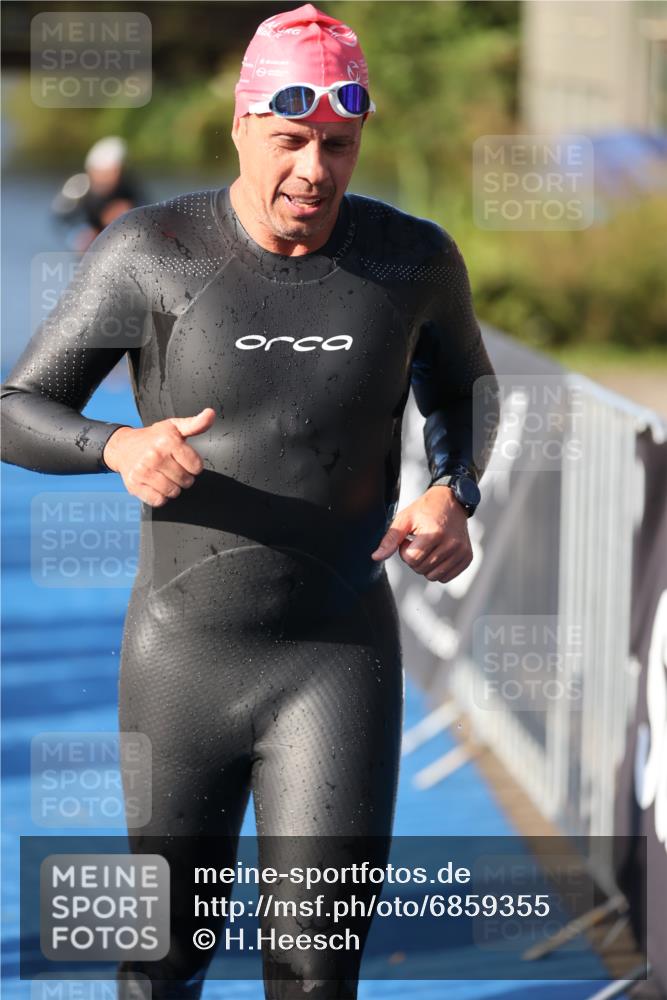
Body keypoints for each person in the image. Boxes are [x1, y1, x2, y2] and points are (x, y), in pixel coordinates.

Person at [1, 4, 499, 998]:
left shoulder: (411, 260)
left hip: (336, 660)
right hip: (181, 661)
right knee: (162, 961)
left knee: (316, 972)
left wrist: (454, 489)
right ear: (240, 127)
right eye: (291, 139)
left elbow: (464, 391)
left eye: (339, 145)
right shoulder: (153, 251)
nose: (314, 169)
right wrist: (117, 446)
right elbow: (17, 408)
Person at [51, 135, 146, 252]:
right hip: (87, 249)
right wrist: (83, 232)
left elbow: (147, 212)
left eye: (117, 171)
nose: (114, 177)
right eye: (108, 172)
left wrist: (130, 214)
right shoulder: (78, 185)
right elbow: (60, 219)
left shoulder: (127, 186)